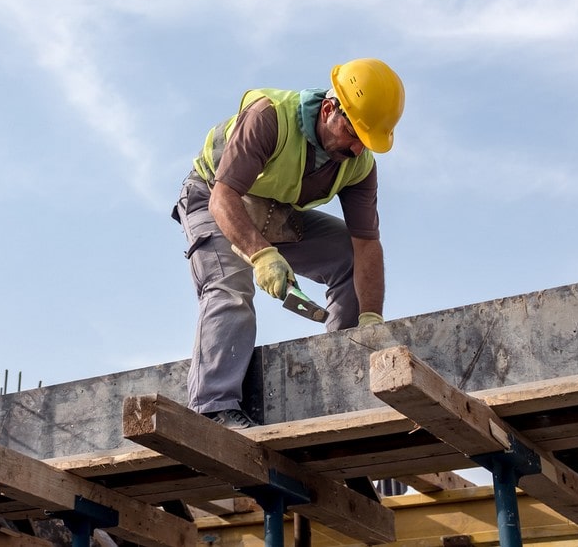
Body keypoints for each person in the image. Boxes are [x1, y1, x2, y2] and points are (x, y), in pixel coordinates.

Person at [172, 58, 405, 429]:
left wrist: (371, 319)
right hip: (212, 197)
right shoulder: (269, 118)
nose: (359, 149)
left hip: (273, 211)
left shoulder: (359, 166)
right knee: (229, 288)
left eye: (367, 141)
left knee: (345, 256)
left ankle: (347, 376)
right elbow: (224, 198)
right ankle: (214, 409)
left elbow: (366, 246)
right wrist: (262, 254)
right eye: (355, 134)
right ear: (329, 109)